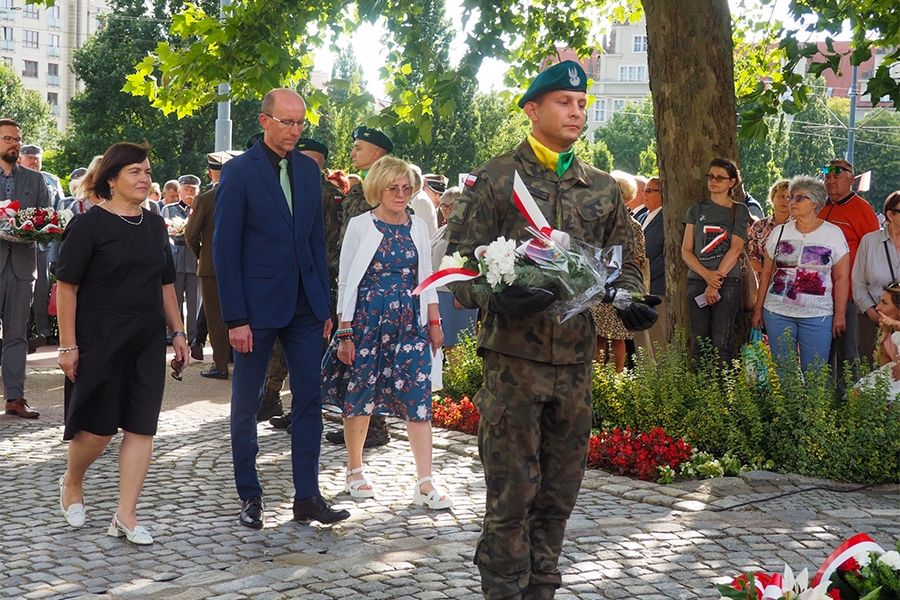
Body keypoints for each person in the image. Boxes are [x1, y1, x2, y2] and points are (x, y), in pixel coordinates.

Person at [443, 60, 653, 600]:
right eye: (565, 102)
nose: (577, 112)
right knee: (512, 493)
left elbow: (625, 261)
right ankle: (504, 590)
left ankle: (542, 588)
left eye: (582, 104)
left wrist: (628, 299)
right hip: (513, 361)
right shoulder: (496, 179)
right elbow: (458, 266)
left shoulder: (604, 189)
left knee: (560, 493)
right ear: (532, 109)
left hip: (576, 364)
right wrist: (497, 293)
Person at [213, 88, 350, 529]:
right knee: (248, 403)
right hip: (254, 311)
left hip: (306, 309)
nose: (295, 130)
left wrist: (323, 304)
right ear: (264, 120)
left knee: (310, 399)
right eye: (287, 122)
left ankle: (307, 496)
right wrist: (235, 317)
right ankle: (250, 496)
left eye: (301, 123)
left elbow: (314, 243)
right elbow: (225, 249)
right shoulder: (238, 173)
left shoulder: (310, 173)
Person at [55, 142, 190, 544]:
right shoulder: (89, 224)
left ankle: (125, 516)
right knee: (97, 432)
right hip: (99, 340)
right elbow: (67, 287)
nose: (145, 178)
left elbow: (166, 283)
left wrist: (179, 333)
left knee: (140, 428)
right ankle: (72, 480)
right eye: (135, 171)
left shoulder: (153, 223)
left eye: (147, 171)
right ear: (111, 179)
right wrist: (67, 345)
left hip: (146, 339)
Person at [321, 155, 451, 508]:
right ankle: (354, 470)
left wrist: (435, 323)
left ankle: (425, 481)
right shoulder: (362, 225)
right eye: (393, 187)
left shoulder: (418, 226)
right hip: (367, 320)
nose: (400, 193)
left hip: (410, 321)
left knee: (418, 398)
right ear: (378, 188)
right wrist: (345, 332)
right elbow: (347, 280)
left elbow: (427, 278)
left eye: (406, 187)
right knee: (360, 395)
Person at [325, 125, 395, 449]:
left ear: (377, 153)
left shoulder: (384, 188)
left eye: (358, 148)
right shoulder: (360, 188)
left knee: (370, 356)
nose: (352, 153)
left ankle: (375, 426)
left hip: (373, 285)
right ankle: (359, 422)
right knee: (355, 357)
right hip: (352, 278)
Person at [751, 176, 849, 376]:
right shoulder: (779, 232)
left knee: (815, 373)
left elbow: (842, 278)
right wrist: (758, 309)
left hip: (817, 316)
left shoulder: (833, 234)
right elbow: (768, 273)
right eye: (791, 198)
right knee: (784, 372)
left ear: (814, 203)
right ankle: (788, 408)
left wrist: (839, 314)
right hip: (777, 313)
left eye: (799, 198)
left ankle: (813, 409)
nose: (792, 202)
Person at [0, 119, 51, 419]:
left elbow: (46, 222)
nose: (14, 144)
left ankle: (15, 399)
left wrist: (31, 228)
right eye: (8, 139)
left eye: (17, 139)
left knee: (17, 335)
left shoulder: (35, 180)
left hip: (21, 267)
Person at [681, 158, 750, 366]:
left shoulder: (739, 210)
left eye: (720, 177)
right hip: (697, 279)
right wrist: (706, 276)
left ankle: (723, 395)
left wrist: (715, 280)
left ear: (732, 182)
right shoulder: (696, 210)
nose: (714, 180)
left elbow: (736, 248)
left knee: (722, 342)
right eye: (711, 176)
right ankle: (702, 393)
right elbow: (686, 250)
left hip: (727, 281)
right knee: (699, 341)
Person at [819, 158, 880, 393]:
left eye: (837, 174)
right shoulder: (822, 207)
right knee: (823, 353)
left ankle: (850, 406)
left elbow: (872, 252)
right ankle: (825, 404)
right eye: (827, 175)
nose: (830, 179)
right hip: (821, 295)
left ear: (851, 180)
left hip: (850, 296)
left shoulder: (861, 209)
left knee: (849, 354)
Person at [185, 151, 240, 380]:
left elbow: (190, 235)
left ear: (210, 172)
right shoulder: (243, 196)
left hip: (211, 267)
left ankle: (220, 365)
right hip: (241, 266)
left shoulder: (205, 199)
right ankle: (239, 359)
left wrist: (202, 255)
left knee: (216, 317)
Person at [590, 171, 648, 371]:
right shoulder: (598, 223)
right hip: (598, 286)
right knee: (597, 337)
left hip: (620, 287)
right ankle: (599, 382)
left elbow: (638, 258)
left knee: (618, 338)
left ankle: (616, 381)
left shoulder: (634, 227)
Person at [852, 190, 900, 365]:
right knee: (872, 370)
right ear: (891, 215)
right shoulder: (869, 241)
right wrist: (874, 315)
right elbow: (858, 283)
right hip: (871, 319)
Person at [431, 187, 477, 354]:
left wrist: (463, 291)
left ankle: (456, 380)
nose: (447, 210)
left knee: (455, 345)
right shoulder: (443, 230)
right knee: (446, 344)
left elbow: (473, 261)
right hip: (440, 292)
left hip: (456, 295)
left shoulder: (468, 231)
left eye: (451, 206)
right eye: (443, 206)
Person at [162, 175, 201, 345]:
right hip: (175, 255)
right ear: (179, 191)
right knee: (174, 298)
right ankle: (173, 333)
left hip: (193, 257)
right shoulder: (169, 209)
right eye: (186, 189)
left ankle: (193, 335)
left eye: (193, 190)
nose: (189, 193)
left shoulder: (201, 208)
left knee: (194, 301)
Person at [641, 176, 666, 352]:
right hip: (639, 286)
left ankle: (662, 377)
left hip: (657, 287)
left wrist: (646, 272)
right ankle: (646, 376)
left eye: (650, 190)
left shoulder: (667, 218)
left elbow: (667, 256)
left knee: (658, 338)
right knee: (641, 337)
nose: (645, 194)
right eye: (644, 190)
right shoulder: (642, 216)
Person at [747, 179, 791, 276]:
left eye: (789, 197)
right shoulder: (758, 226)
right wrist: (770, 272)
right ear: (772, 198)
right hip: (763, 282)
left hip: (791, 283)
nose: (785, 200)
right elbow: (749, 257)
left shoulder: (799, 226)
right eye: (781, 196)